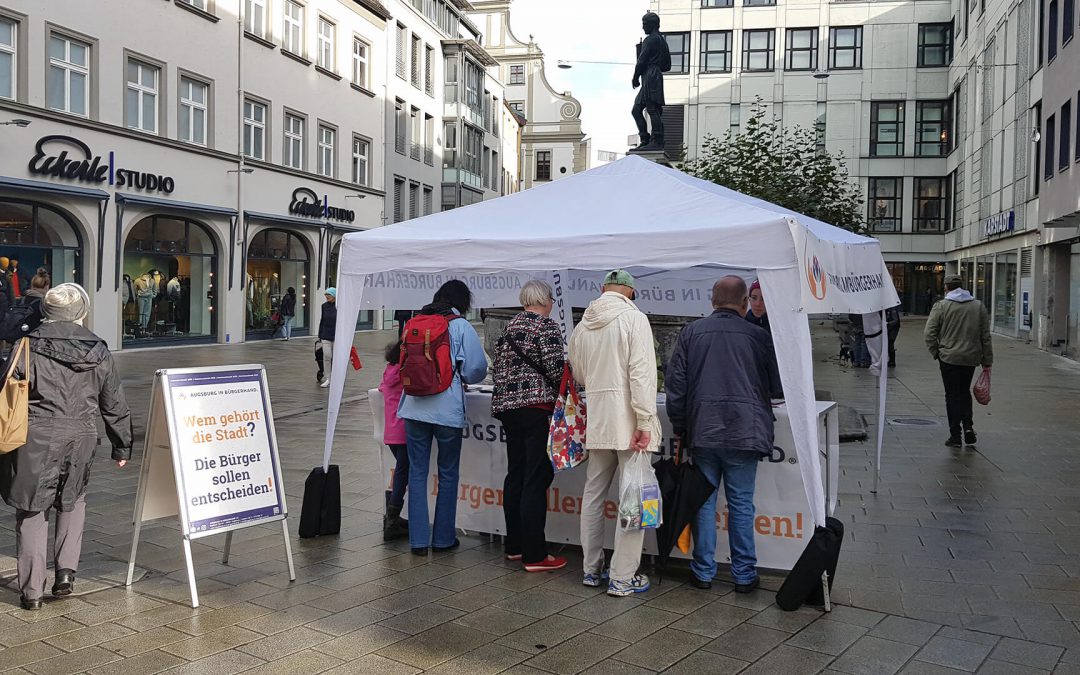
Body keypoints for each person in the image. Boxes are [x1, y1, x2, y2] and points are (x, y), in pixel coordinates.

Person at [0, 283, 133, 610]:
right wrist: (121, 446)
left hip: (35, 435)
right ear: (81, 312)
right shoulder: (98, 348)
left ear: (46, 311)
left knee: (32, 508)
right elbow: (114, 401)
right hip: (82, 434)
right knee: (73, 500)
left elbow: (7, 388)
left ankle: (31, 592)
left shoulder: (26, 345)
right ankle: (65, 574)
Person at [666, 276, 782, 593]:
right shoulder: (759, 336)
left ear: (712, 301)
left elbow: (676, 386)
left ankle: (703, 572)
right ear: (744, 302)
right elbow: (777, 386)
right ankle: (744, 575)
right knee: (741, 504)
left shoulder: (691, 333)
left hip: (704, 431)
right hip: (746, 431)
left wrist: (680, 425)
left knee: (704, 503)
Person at [568, 270, 660, 597]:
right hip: (631, 420)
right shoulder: (635, 320)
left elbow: (577, 373)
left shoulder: (582, 326)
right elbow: (642, 375)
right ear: (631, 293)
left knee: (593, 493)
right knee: (633, 496)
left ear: (602, 289)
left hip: (598, 418)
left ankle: (590, 569)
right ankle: (622, 576)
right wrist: (646, 423)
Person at [398, 280, 487, 555]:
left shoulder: (415, 321)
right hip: (446, 410)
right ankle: (443, 539)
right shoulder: (460, 326)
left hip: (413, 407)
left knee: (417, 472)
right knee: (448, 474)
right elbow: (476, 369)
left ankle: (418, 540)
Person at [491, 280, 566, 572]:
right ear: (546, 300)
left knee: (516, 475)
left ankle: (515, 545)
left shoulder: (508, 328)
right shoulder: (546, 327)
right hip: (536, 408)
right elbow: (555, 369)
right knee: (536, 479)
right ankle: (535, 554)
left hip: (508, 410)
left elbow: (498, 368)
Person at [924, 274, 993, 447]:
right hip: (970, 357)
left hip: (948, 358)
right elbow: (985, 336)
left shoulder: (941, 306)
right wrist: (987, 359)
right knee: (964, 391)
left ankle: (955, 435)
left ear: (946, 287)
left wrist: (936, 352)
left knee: (952, 394)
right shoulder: (978, 306)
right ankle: (968, 426)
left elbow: (929, 333)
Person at [380, 340, 409, 542]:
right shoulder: (403, 372)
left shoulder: (388, 371)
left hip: (390, 432)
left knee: (400, 470)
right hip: (404, 431)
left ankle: (392, 515)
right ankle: (392, 517)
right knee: (403, 471)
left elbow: (382, 390)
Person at [631, 12, 671, 152]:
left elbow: (641, 60)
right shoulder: (662, 41)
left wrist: (635, 77)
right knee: (638, 109)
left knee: (651, 109)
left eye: (645, 24)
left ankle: (656, 140)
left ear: (653, 24)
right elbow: (668, 66)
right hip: (656, 74)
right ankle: (646, 139)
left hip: (650, 75)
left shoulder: (650, 40)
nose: (643, 27)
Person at [0, 269, 49, 343]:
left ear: (32, 285)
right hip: (34, 341)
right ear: (46, 286)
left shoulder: (20, 300)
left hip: (17, 338)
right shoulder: (43, 304)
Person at [317, 288, 337, 387]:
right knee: (327, 356)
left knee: (337, 358)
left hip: (337, 335)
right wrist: (320, 334)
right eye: (326, 295)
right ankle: (328, 378)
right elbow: (322, 320)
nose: (327, 296)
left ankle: (337, 378)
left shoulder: (339, 306)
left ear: (334, 295)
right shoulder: (324, 306)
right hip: (326, 334)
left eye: (328, 294)